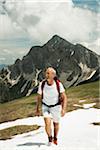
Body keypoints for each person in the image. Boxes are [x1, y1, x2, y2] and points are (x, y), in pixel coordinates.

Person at [36, 67, 67, 145]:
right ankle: (50, 138)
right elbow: (39, 96)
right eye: (46, 73)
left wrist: (63, 109)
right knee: (47, 122)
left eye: (48, 73)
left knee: (56, 124)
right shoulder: (42, 84)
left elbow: (64, 97)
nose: (46, 75)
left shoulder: (58, 84)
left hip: (56, 106)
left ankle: (55, 137)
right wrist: (37, 108)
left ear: (53, 75)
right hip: (45, 106)